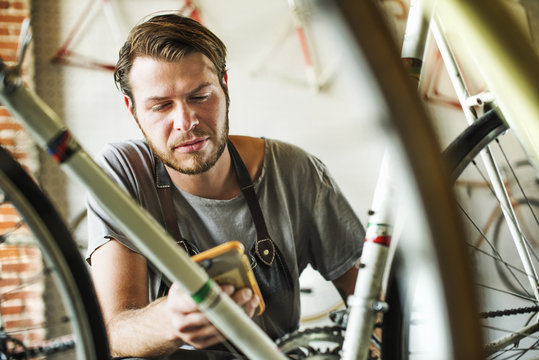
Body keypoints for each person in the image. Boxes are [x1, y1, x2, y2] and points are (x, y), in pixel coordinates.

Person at [86, 13, 364, 360]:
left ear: (225, 86)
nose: (185, 123)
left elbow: (372, 300)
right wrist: (170, 320)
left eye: (200, 96)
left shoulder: (296, 172)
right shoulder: (122, 173)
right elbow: (112, 333)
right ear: (133, 110)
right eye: (160, 106)